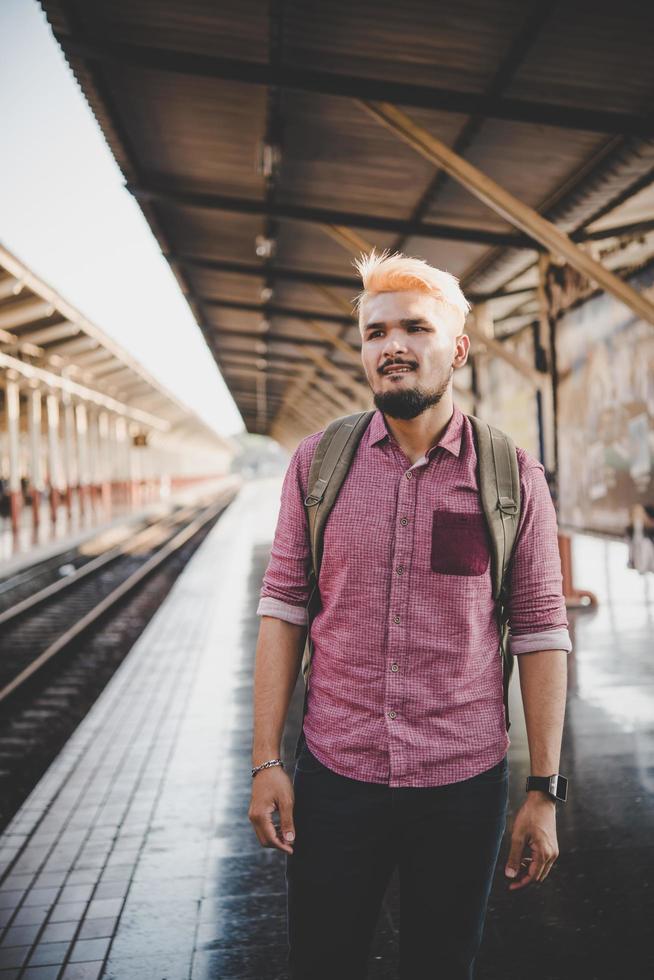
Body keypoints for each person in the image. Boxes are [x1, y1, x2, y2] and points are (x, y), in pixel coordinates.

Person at [248, 251, 571, 980]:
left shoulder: (511, 475)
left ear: (456, 348)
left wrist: (543, 792)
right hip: (336, 774)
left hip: (462, 782)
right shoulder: (317, 463)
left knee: (441, 964)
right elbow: (283, 608)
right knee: (321, 962)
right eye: (374, 333)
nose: (391, 346)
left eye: (414, 328)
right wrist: (267, 759)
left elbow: (543, 630)